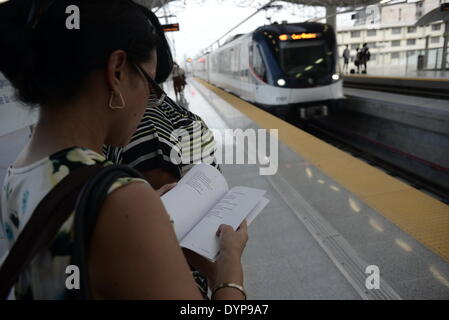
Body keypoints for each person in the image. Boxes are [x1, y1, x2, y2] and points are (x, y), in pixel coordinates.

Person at [0, 0, 248, 300]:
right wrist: (226, 271)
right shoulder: (120, 198)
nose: (150, 99)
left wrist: (139, 218)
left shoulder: (20, 171)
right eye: (150, 84)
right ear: (117, 71)